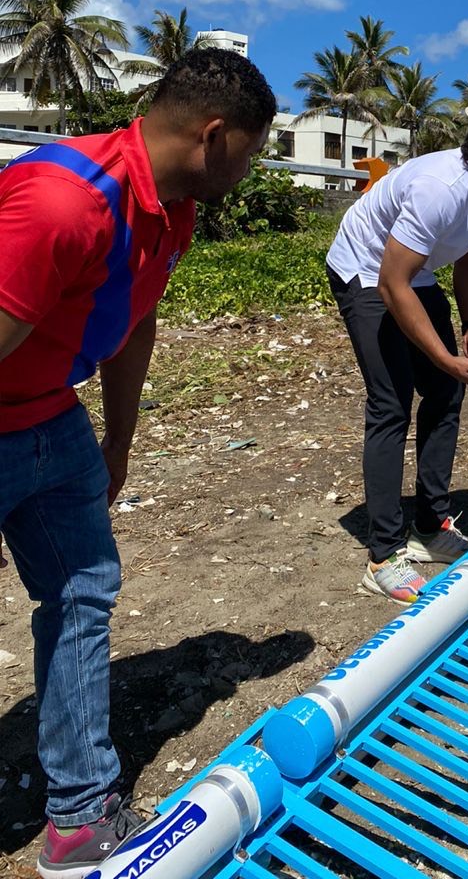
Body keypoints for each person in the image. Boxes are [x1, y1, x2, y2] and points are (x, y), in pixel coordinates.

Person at [0, 48, 276, 879]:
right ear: (215, 136)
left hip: (52, 419)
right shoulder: (65, 202)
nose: (250, 170)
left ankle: (80, 816)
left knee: (83, 594)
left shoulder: (170, 210)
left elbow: (132, 321)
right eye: (251, 152)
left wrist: (117, 443)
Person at [325, 102, 468, 603]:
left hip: (417, 273)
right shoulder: (443, 187)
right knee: (391, 404)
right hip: (366, 268)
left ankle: (430, 526)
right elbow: (391, 283)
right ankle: (383, 553)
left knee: (446, 392)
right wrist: (442, 355)